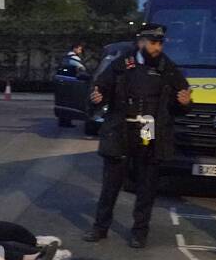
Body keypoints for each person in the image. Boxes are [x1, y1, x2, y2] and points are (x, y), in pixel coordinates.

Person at [82, 23, 192, 248]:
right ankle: (100, 228)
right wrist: (97, 98)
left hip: (149, 130)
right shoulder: (121, 64)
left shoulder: (167, 67)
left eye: (160, 43)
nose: (157, 48)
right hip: (122, 128)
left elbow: (183, 98)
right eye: (153, 43)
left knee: (147, 183)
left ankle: (139, 232)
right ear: (141, 42)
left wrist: (185, 103)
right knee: (111, 183)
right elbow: (101, 88)